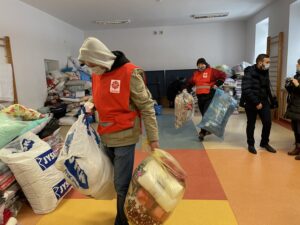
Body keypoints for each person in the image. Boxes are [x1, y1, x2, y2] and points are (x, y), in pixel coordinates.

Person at [78, 37, 159, 225]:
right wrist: (91, 104)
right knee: (111, 179)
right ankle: (129, 210)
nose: (91, 68)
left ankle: (121, 221)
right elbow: (102, 96)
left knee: (121, 185)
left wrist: (153, 138)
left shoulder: (130, 73)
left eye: (91, 64)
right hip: (105, 135)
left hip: (125, 136)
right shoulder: (97, 73)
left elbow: (147, 106)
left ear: (100, 58)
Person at [240, 54, 276, 154]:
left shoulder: (265, 71)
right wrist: (256, 102)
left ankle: (264, 143)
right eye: (267, 62)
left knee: (267, 122)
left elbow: (267, 87)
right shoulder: (249, 72)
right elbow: (246, 89)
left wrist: (272, 101)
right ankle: (251, 144)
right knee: (251, 124)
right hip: (251, 102)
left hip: (264, 101)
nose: (269, 64)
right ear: (260, 62)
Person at [188, 58, 226, 141]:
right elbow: (190, 82)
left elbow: (223, 75)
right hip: (200, 97)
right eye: (198, 65)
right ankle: (208, 129)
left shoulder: (211, 71)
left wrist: (216, 84)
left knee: (206, 114)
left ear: (205, 64)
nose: (200, 66)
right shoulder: (196, 74)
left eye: (202, 64)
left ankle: (202, 133)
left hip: (210, 96)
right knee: (204, 115)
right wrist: (186, 89)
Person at [285, 58, 300, 160]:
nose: (297, 65)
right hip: (294, 105)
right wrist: (289, 84)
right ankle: (297, 147)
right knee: (295, 128)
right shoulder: (297, 76)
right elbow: (292, 91)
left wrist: (297, 84)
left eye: (298, 64)